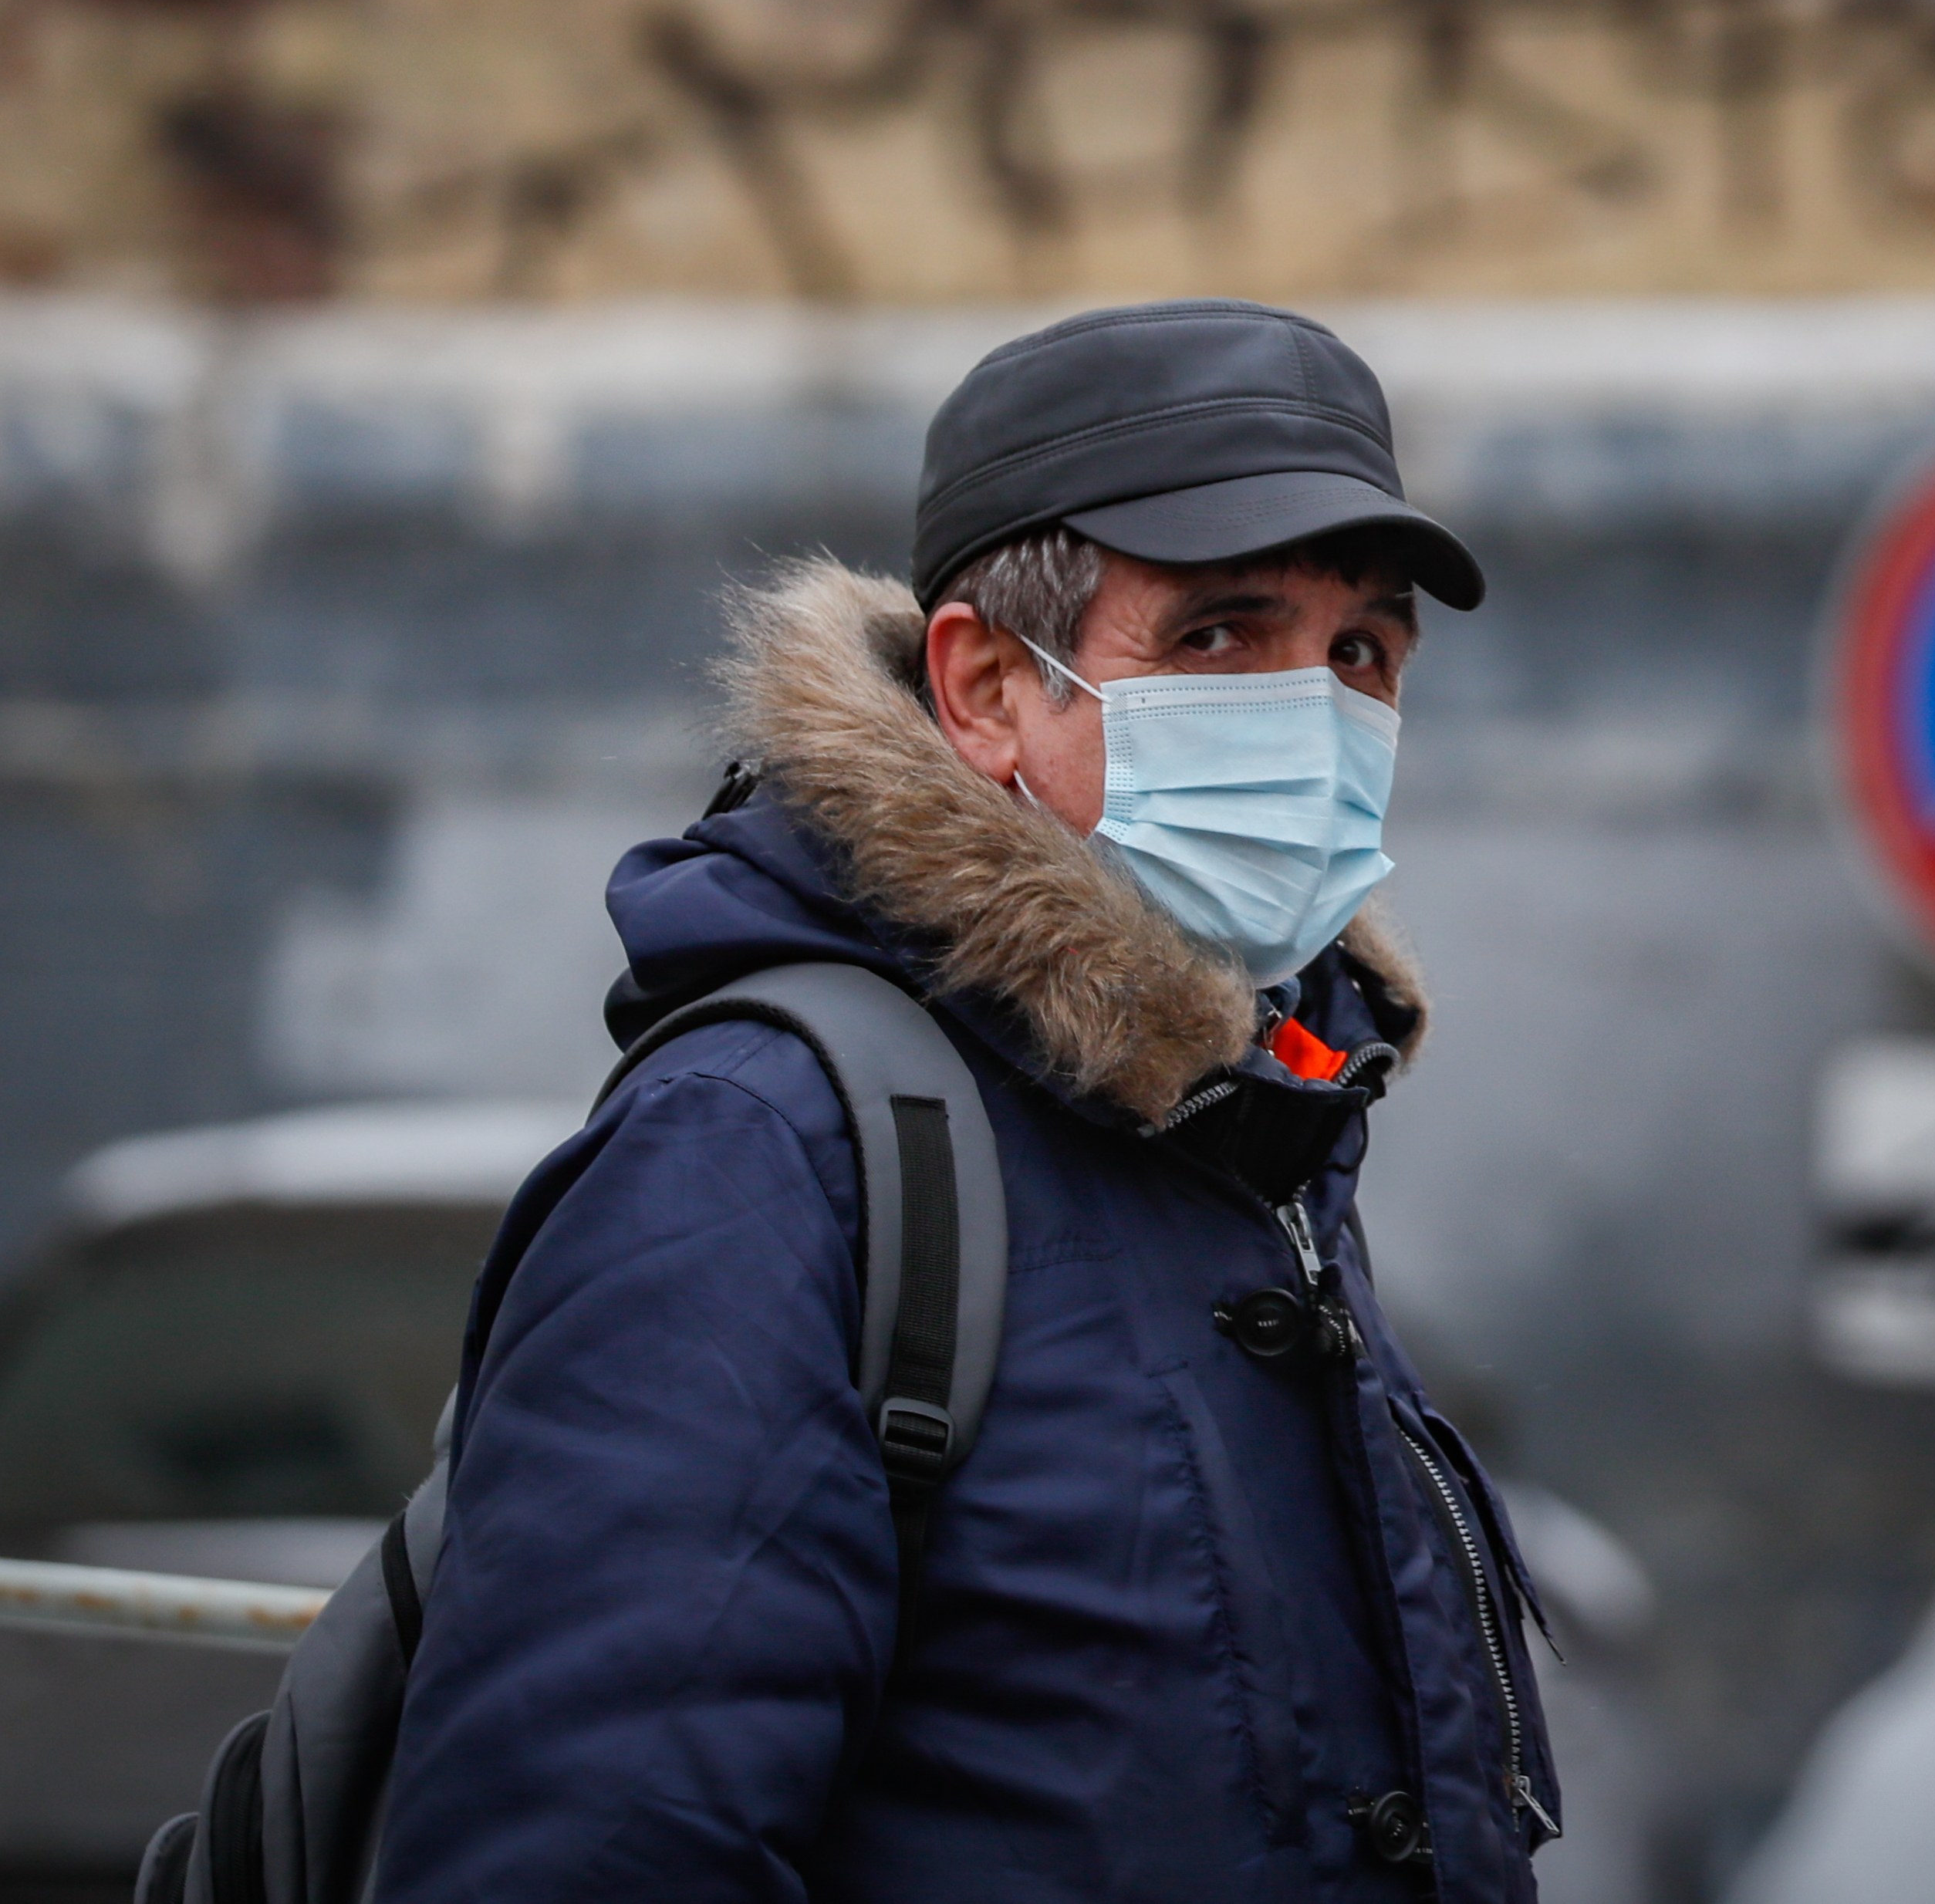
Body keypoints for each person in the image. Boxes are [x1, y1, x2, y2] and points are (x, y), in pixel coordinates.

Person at [370, 298, 1559, 1903]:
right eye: (1217, 633)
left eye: (1361, 651)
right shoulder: (761, 1160)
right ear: (989, 687)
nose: (1316, 713)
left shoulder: (1257, 1136)